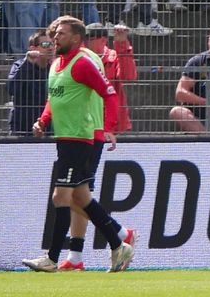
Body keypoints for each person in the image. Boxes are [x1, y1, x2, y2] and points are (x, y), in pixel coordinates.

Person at [24, 16, 137, 272]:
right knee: (81, 197)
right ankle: (119, 242)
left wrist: (109, 128)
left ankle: (52, 258)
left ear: (76, 38)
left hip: (80, 138)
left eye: (61, 34)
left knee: (61, 196)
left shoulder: (83, 62)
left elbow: (109, 92)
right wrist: (43, 120)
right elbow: (54, 98)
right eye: (55, 33)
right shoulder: (56, 64)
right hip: (64, 138)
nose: (55, 37)